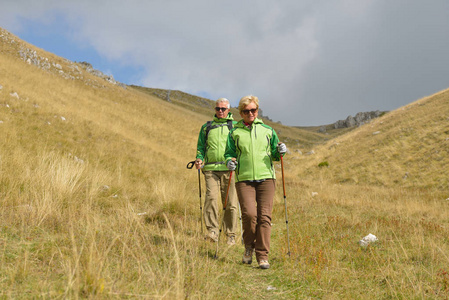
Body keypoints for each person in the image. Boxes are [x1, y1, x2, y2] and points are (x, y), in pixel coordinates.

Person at [224, 95, 287, 269]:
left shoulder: (268, 130)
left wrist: (281, 150)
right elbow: (229, 153)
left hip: (266, 178)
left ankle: (262, 255)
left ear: (257, 111)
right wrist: (229, 161)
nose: (250, 113)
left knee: (264, 216)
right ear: (241, 113)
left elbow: (275, 154)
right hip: (244, 178)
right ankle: (248, 247)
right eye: (246, 111)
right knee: (250, 215)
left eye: (253, 110)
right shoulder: (234, 132)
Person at [195, 98, 239, 245]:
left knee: (231, 203)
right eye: (218, 108)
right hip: (210, 170)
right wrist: (199, 159)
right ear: (215, 109)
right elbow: (201, 147)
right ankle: (212, 231)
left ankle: (230, 234)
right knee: (211, 198)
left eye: (223, 109)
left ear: (229, 110)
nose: (220, 111)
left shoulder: (235, 127)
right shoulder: (206, 127)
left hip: (230, 170)